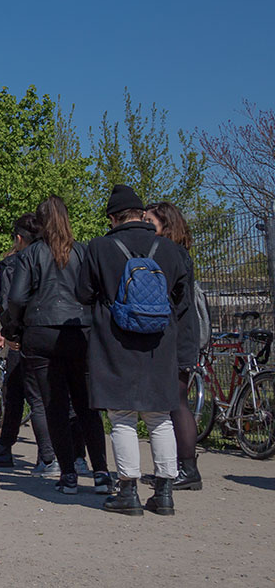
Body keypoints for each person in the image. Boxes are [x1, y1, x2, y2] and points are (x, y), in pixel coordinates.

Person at [78, 185, 191, 516]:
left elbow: (83, 292)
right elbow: (181, 297)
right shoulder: (169, 250)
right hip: (160, 342)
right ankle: (165, 491)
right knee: (160, 416)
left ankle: (128, 490)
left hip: (115, 341)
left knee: (122, 416)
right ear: (142, 214)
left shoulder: (98, 247)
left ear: (113, 218)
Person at [8, 196, 111, 495]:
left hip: (40, 331)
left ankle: (67, 474)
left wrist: (15, 327)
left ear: (39, 222)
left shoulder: (30, 255)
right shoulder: (82, 252)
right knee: (86, 404)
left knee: (53, 404)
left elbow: (16, 298)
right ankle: (101, 472)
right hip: (79, 330)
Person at [0, 213, 60, 475]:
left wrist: (10, 332)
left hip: (26, 335)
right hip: (59, 332)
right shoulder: (61, 256)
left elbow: (10, 300)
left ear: (20, 238)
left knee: (24, 393)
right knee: (48, 394)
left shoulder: (12, 263)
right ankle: (68, 456)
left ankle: (43, 454)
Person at [144, 201, 205, 491]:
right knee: (174, 403)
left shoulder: (170, 255)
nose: (143, 226)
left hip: (178, 337)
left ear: (164, 226)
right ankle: (180, 467)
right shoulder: (179, 254)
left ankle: (187, 468)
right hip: (183, 334)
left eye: (149, 221)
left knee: (177, 403)